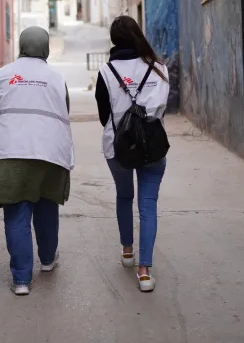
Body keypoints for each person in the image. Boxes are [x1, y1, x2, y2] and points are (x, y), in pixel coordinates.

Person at [0, 26, 74, 296]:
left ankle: (21, 279)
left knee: (17, 213)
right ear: (46, 49)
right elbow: (64, 110)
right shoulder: (56, 78)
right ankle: (46, 260)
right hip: (49, 152)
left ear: (21, 46)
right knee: (46, 206)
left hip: (11, 152)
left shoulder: (3, 74)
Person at [94, 16, 170, 292]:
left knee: (124, 196)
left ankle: (128, 251)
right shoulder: (158, 67)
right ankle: (145, 271)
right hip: (153, 146)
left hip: (118, 147)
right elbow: (162, 108)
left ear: (114, 41)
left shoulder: (105, 72)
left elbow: (105, 116)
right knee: (148, 205)